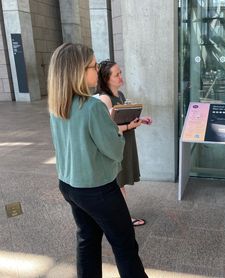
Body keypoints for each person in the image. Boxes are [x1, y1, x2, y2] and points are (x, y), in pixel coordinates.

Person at [48, 43, 148, 278]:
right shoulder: (93, 107)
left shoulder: (57, 105)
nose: (96, 70)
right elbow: (114, 150)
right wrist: (116, 132)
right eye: (93, 66)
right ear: (77, 71)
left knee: (87, 239)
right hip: (98, 189)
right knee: (125, 245)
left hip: (69, 184)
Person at [96, 60, 152, 227]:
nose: (121, 77)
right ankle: (123, 219)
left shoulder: (119, 95)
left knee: (118, 183)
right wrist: (129, 126)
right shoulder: (104, 99)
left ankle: (114, 217)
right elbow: (107, 130)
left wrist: (139, 120)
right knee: (117, 184)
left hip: (125, 142)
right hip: (116, 145)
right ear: (106, 79)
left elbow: (122, 118)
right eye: (117, 74)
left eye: (120, 73)